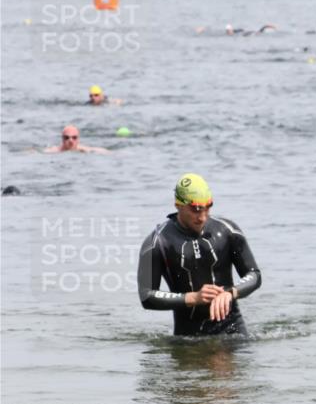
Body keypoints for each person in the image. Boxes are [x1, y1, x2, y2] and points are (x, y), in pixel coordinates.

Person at [137, 174, 261, 337]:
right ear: (178, 205)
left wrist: (230, 293)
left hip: (233, 330)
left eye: (207, 208)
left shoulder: (227, 230)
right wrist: (193, 297)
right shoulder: (157, 242)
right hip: (188, 338)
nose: (202, 216)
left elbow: (254, 275)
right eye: (195, 209)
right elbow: (147, 296)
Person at [43, 125, 110, 154]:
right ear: (62, 139)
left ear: (78, 139)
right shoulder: (54, 151)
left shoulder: (83, 149)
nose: (70, 140)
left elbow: (101, 150)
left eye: (74, 138)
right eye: (67, 138)